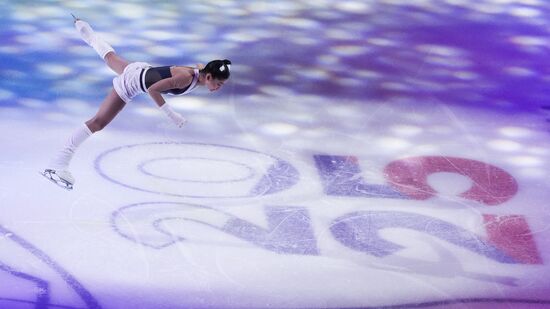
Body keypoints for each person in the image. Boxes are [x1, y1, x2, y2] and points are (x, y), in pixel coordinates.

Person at [41, 15, 232, 190]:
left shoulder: (201, 71)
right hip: (133, 82)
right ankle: (57, 164)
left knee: (109, 57)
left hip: (140, 69)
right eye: (218, 83)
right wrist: (172, 115)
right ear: (208, 77)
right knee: (98, 122)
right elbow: (152, 89)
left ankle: (83, 27)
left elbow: (200, 66)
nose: (219, 87)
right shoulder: (184, 78)